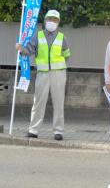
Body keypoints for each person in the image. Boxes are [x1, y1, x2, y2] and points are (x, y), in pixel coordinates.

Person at [15, 10, 70, 141]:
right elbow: (29, 49)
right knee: (38, 101)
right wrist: (21, 49)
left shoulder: (63, 37)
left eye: (55, 20)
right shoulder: (37, 36)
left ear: (58, 22)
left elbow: (67, 55)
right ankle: (33, 130)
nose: (52, 22)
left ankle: (58, 131)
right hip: (43, 73)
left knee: (59, 102)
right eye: (50, 19)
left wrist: (61, 68)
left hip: (59, 73)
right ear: (45, 21)